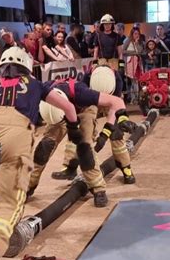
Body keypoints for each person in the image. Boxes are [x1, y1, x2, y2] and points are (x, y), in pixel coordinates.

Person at [0, 46, 85, 260]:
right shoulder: (35, 84)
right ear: (27, 66)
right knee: (11, 202)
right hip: (16, 140)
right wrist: (73, 128)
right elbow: (69, 109)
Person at [27, 74, 138, 208]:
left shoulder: (83, 93)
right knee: (44, 147)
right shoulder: (43, 93)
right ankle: (28, 186)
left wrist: (122, 119)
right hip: (58, 113)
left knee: (85, 149)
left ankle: (98, 189)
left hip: (83, 110)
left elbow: (116, 101)